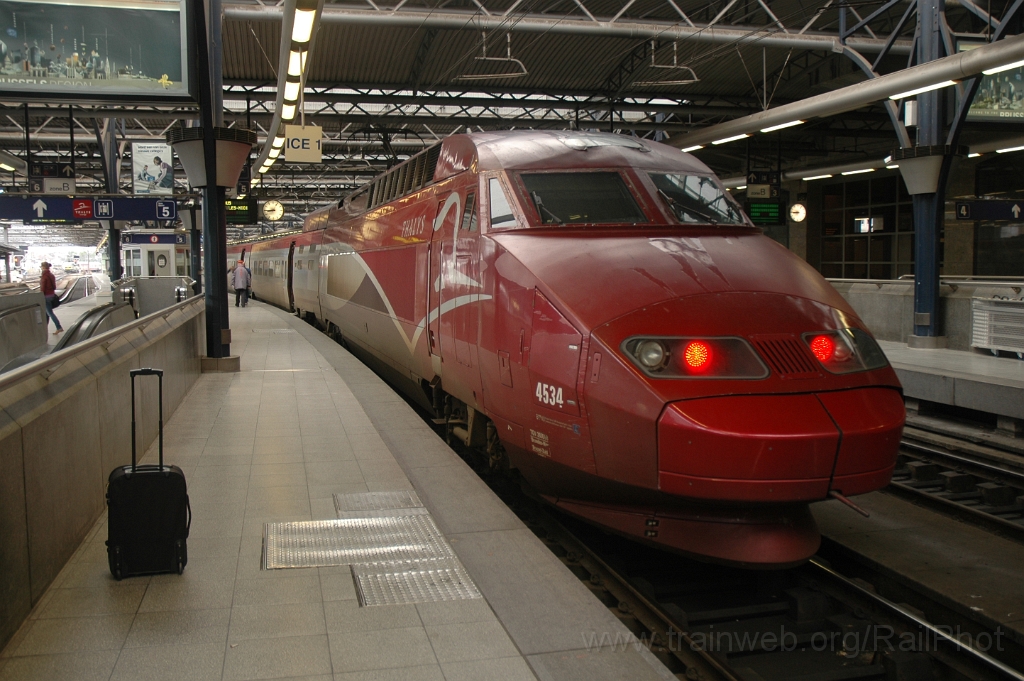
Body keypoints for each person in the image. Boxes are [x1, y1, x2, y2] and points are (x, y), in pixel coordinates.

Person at [39, 261, 63, 335]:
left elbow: (42, 288)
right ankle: (44, 330)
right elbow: (54, 286)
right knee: (47, 313)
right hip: (52, 295)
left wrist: (40, 295)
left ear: (43, 267)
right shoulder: (51, 275)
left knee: (50, 313)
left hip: (46, 296)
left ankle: (59, 327)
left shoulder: (44, 276)